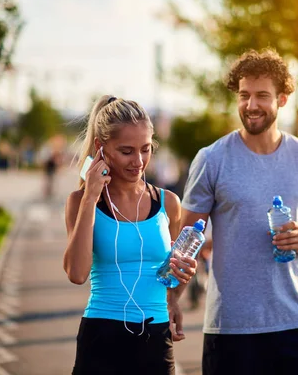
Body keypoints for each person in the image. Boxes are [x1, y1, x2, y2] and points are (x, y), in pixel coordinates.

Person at [180, 49, 298, 374]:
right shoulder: (212, 159)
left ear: (282, 99)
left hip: (294, 322)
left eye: (262, 95)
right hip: (232, 329)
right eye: (244, 95)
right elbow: (183, 242)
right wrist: (169, 302)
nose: (251, 105)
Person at [63, 96, 197, 375]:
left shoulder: (168, 203)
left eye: (145, 149)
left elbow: (170, 277)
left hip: (156, 339)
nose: (139, 161)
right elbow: (77, 273)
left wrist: (178, 288)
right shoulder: (81, 201)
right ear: (102, 148)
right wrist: (91, 195)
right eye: (126, 151)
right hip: (101, 338)